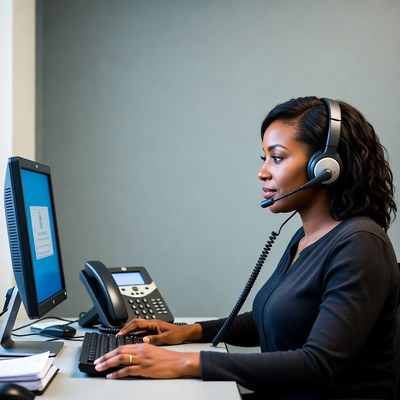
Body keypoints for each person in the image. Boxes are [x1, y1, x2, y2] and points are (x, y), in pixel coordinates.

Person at [94, 96, 399, 399]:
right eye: (263, 158)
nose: (262, 172)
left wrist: (185, 361)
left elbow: (319, 364)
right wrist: (188, 332)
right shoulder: (305, 237)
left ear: (325, 166)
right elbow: (272, 318)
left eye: (276, 157)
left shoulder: (360, 245)